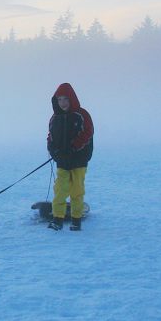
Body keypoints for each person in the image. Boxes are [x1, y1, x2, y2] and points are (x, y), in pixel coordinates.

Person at [47, 83, 93, 231]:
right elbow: (51, 137)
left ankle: (76, 221)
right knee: (60, 190)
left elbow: (87, 134)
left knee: (77, 192)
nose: (62, 103)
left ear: (72, 99)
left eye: (65, 99)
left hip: (79, 161)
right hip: (62, 162)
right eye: (59, 100)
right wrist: (53, 149)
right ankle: (57, 220)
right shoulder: (55, 118)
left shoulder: (82, 115)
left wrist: (72, 148)